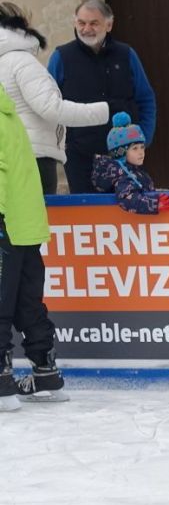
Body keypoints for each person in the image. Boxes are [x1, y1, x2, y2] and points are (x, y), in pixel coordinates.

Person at [0, 83, 67, 411]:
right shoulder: (8, 115)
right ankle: (46, 375)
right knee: (28, 304)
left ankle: (2, 383)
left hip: (5, 221)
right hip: (25, 224)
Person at [47, 0, 156, 194]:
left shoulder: (126, 55)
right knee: (86, 210)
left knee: (129, 206)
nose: (86, 29)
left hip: (125, 155)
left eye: (94, 23)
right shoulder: (61, 57)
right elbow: (49, 104)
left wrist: (142, 139)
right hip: (79, 157)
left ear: (109, 25)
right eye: (81, 23)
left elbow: (145, 99)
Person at [0, 3, 109, 195]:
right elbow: (51, 108)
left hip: (9, 157)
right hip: (32, 157)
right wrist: (105, 111)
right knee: (36, 213)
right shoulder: (22, 62)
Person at [91, 113, 169, 214]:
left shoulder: (133, 171)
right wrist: (154, 204)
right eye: (135, 148)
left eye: (142, 147)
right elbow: (127, 198)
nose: (141, 152)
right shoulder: (122, 176)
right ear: (121, 153)